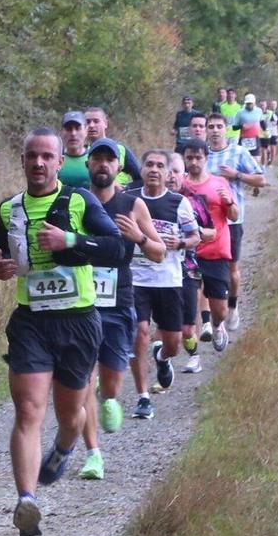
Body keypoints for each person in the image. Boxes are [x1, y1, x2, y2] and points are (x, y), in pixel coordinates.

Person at [0, 127, 126, 536]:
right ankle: (27, 500)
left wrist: (70, 240)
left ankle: (64, 448)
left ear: (60, 163)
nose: (39, 163)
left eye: (47, 156)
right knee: (29, 410)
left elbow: (118, 249)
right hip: (31, 321)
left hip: (78, 321)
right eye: (32, 156)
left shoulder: (79, 201)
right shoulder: (10, 208)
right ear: (23, 160)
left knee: (69, 415)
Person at [79, 137, 162, 453]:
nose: (103, 164)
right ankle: (93, 452)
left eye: (109, 160)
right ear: (88, 164)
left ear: (119, 167)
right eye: (97, 158)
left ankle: (108, 395)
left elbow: (159, 252)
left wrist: (139, 237)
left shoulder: (132, 205)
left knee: (111, 383)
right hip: (80, 304)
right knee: (83, 379)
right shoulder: (74, 201)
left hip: (118, 302)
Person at [130, 149, 206, 401]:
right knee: (140, 333)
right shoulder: (129, 199)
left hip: (168, 280)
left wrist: (180, 243)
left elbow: (195, 237)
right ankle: (142, 396)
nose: (154, 169)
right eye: (149, 164)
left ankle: (162, 358)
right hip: (136, 279)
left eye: (160, 166)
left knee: (173, 343)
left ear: (167, 173)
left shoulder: (178, 202)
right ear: (141, 170)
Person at [203, 117, 266, 339]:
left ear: (226, 130)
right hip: (205, 223)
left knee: (231, 270)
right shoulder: (201, 155)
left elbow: (261, 180)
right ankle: (207, 321)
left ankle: (232, 305)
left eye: (219, 127)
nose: (215, 131)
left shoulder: (238, 152)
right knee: (202, 271)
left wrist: (236, 175)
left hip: (232, 222)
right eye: (211, 127)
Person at [177, 138, 239, 365]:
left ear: (206, 158)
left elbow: (233, 216)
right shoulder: (180, 184)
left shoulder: (219, 183)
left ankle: (217, 324)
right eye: (189, 158)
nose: (193, 162)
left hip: (216, 251)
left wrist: (229, 202)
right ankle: (193, 354)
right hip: (189, 252)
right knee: (189, 303)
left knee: (219, 309)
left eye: (198, 158)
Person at [167, 151, 206, 375]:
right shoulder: (145, 201)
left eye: (176, 171)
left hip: (188, 269)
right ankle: (164, 362)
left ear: (184, 175)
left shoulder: (194, 201)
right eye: (168, 171)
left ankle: (194, 355)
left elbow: (209, 232)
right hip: (158, 271)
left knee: (187, 327)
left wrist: (188, 236)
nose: (171, 176)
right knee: (164, 326)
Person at [83, 107, 141, 188]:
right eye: (88, 122)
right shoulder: (80, 152)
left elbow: (140, 177)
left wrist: (126, 189)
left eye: (96, 121)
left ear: (105, 124)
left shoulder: (121, 149)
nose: (91, 125)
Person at [58, 111, 92, 189]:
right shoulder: (54, 159)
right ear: (62, 132)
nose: (73, 133)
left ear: (86, 130)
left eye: (78, 128)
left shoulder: (95, 157)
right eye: (68, 129)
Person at [235, 93, 265, 159]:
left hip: (255, 138)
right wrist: (242, 126)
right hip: (243, 139)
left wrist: (265, 132)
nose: (249, 105)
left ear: (254, 103)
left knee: (256, 159)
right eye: (248, 104)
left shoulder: (259, 111)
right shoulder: (240, 112)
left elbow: (262, 123)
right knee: (242, 159)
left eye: (251, 103)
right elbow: (234, 127)